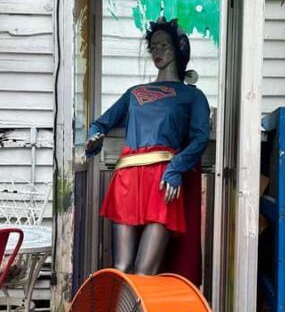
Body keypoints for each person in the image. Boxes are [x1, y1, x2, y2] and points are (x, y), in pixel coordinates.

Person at [85, 17, 210, 276]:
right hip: (127, 179)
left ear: (178, 48)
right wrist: (94, 137)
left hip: (162, 180)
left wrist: (176, 167)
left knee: (145, 272)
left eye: (164, 45)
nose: (157, 51)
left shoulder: (192, 96)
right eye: (153, 46)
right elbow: (100, 123)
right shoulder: (135, 92)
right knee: (121, 267)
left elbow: (200, 138)